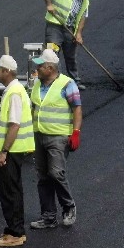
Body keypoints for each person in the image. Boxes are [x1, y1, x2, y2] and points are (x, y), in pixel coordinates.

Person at [29, 49, 82, 229]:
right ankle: (48, 217)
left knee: (56, 173)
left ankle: (68, 206)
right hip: (39, 135)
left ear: (50, 68)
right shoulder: (37, 84)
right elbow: (33, 108)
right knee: (43, 177)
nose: (37, 68)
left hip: (58, 136)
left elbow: (77, 108)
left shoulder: (67, 84)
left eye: (40, 66)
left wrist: (75, 131)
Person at [0, 55, 35, 247]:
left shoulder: (14, 93)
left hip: (11, 150)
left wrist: (4, 151)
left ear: (6, 71)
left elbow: (14, 125)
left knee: (10, 191)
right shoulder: (13, 90)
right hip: (13, 150)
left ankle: (15, 233)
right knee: (11, 189)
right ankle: (13, 229)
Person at [41, 0, 95, 90]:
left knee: (71, 56)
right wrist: (49, 4)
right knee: (52, 53)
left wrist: (79, 34)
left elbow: (83, 17)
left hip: (69, 29)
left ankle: (74, 81)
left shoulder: (85, 1)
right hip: (54, 27)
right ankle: (55, 81)